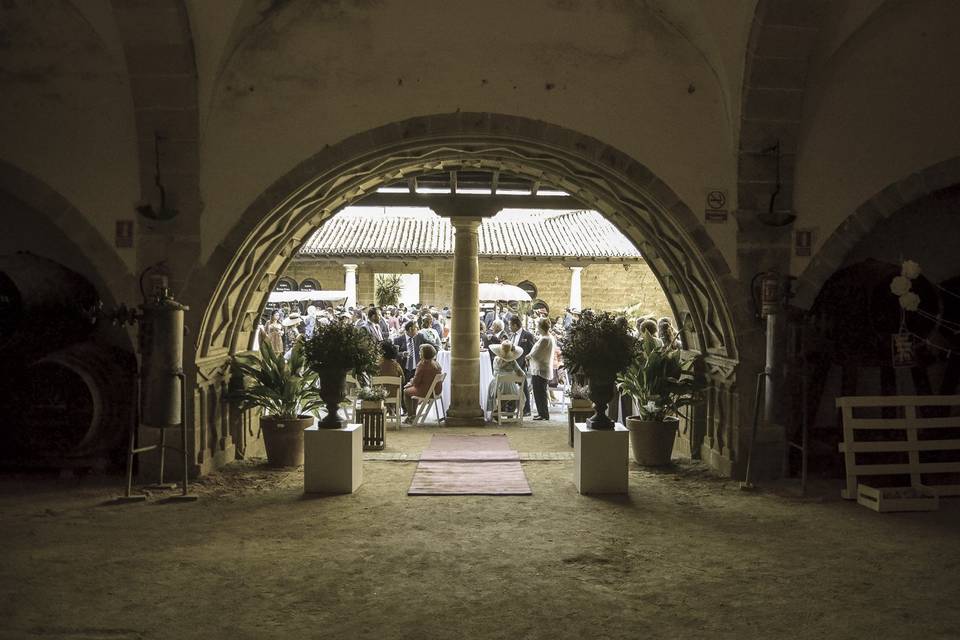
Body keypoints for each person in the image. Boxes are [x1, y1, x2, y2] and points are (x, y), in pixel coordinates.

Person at [403, 343, 442, 423]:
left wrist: (410, 382)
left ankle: (410, 416)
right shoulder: (436, 364)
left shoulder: (422, 365)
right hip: (436, 391)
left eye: (420, 351)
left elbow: (416, 382)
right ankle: (413, 415)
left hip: (426, 391)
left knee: (406, 392)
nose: (419, 353)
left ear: (424, 354)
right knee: (412, 390)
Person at [485, 340, 526, 418]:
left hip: (498, 388)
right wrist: (513, 375)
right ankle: (510, 411)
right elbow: (522, 374)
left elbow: (495, 374)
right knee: (515, 392)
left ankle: (497, 410)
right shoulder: (513, 362)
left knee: (494, 390)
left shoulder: (496, 360)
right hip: (511, 389)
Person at [528, 317, 556, 420]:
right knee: (539, 392)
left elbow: (536, 353)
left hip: (541, 368)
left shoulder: (545, 339)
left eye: (537, 326)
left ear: (541, 327)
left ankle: (543, 414)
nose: (537, 328)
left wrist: (528, 356)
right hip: (541, 367)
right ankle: (542, 413)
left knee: (540, 392)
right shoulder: (548, 337)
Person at [508, 315, 535, 416]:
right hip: (511, 365)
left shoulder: (527, 335)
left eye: (510, 325)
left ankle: (527, 409)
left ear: (515, 325)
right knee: (512, 387)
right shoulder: (512, 335)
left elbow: (532, 350)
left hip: (522, 364)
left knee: (523, 387)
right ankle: (511, 409)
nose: (509, 327)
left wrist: (527, 361)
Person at [377, 340, 405, 415]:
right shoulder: (396, 365)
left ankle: (389, 410)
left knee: (380, 387)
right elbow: (403, 380)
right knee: (396, 388)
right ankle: (391, 409)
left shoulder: (377, 365)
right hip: (394, 395)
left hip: (380, 395)